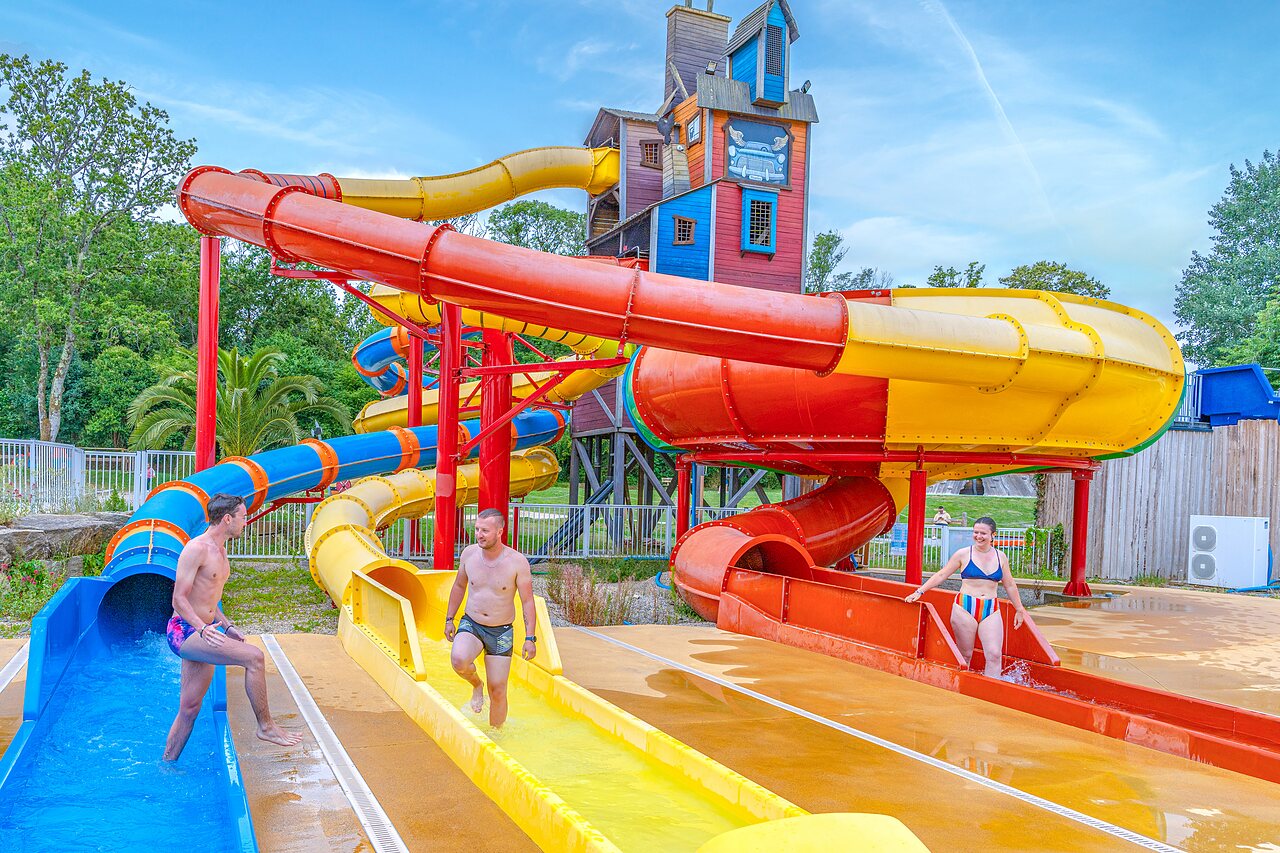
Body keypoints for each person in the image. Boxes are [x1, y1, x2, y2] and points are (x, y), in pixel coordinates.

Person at [163, 493, 301, 760]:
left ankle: (167, 763)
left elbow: (210, 597)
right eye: (243, 516)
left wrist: (225, 626)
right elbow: (178, 600)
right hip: (184, 630)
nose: (246, 522)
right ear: (227, 519)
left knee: (190, 708)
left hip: (207, 629)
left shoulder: (221, 549)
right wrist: (203, 630)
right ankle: (266, 727)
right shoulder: (197, 549)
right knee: (254, 658)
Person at [903, 516, 1031, 678]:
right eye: (976, 532)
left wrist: (1019, 608)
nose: (978, 536)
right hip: (965, 606)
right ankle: (963, 689)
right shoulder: (963, 554)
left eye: (983, 533)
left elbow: (1010, 584)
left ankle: (991, 693)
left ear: (993, 535)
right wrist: (919, 591)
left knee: (994, 654)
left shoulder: (1001, 557)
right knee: (965, 654)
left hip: (990, 608)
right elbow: (942, 575)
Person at [444, 508, 536, 728]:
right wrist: (450, 618)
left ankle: (496, 734)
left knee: (498, 689)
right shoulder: (469, 554)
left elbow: (527, 602)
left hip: (501, 630)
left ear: (499, 531)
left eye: (485, 530)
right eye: (477, 529)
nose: (479, 534)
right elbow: (459, 586)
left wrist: (530, 638)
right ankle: (476, 685)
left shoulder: (517, 562)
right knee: (459, 660)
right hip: (472, 623)